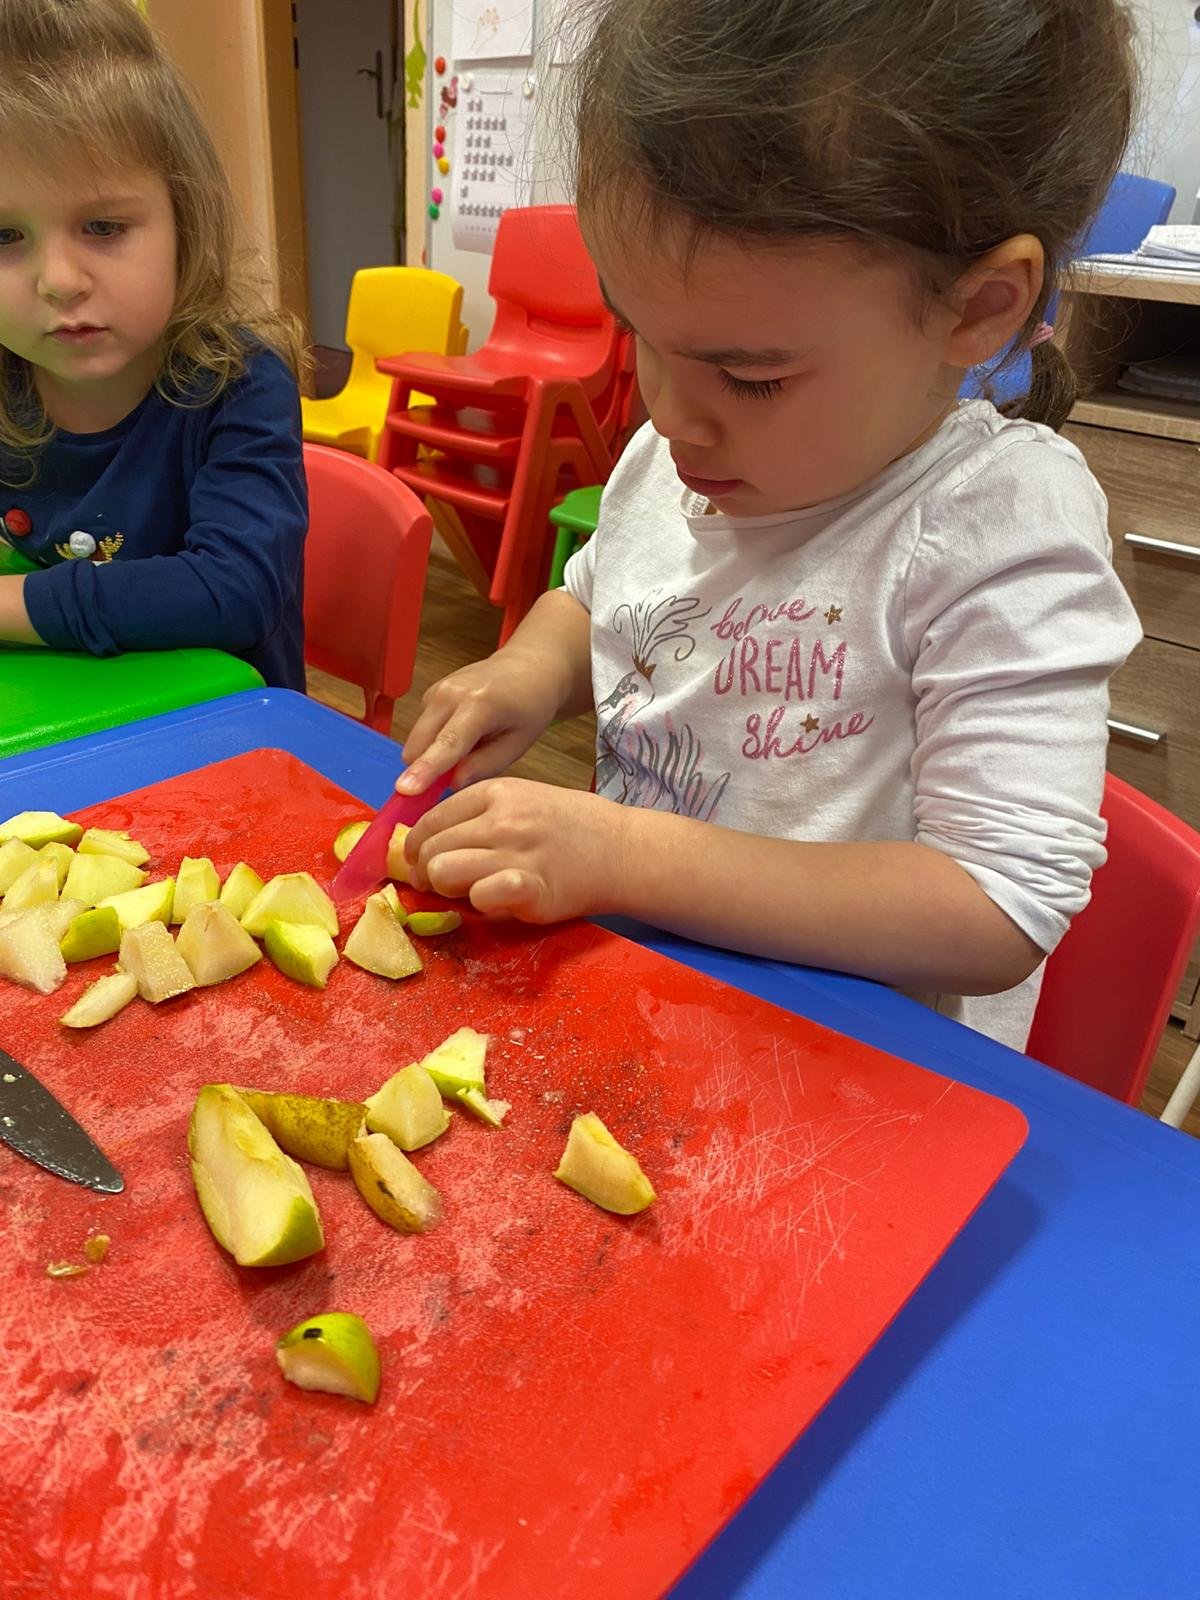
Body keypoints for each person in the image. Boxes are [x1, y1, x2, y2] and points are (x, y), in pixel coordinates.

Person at [397, 0, 1144, 1049]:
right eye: (637, 331)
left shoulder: (997, 527)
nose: (668, 411)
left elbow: (997, 906)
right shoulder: (682, 454)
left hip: (853, 1078)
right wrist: (529, 667)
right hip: (658, 1017)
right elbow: (602, 599)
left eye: (751, 377)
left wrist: (627, 856)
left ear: (978, 308)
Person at [0, 0, 307, 689]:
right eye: (4, 236)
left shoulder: (239, 382)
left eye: (104, 227)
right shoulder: (10, 374)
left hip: (222, 724)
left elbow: (235, 592)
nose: (60, 281)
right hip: (70, 704)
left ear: (184, 222)